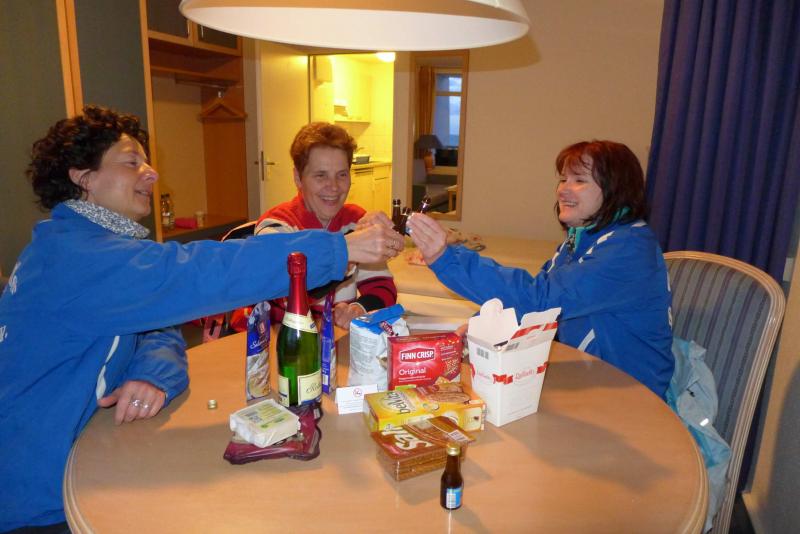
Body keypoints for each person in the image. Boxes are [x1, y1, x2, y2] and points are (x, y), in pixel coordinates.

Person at [0, 106, 404, 532]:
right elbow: (200, 272)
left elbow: (159, 327)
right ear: (83, 177)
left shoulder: (83, 245)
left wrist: (151, 373)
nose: (152, 173)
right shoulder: (77, 259)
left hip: (81, 457)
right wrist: (339, 249)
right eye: (132, 162)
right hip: (37, 495)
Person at [407, 140, 674, 398]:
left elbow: (540, 300)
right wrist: (487, 324)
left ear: (616, 188)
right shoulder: (579, 240)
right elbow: (534, 307)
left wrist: (446, 257)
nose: (563, 190)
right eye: (563, 179)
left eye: (579, 180)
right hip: (591, 378)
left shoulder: (629, 247)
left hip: (631, 393)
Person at [255, 122, 397, 329]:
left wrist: (358, 308)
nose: (334, 187)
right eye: (321, 175)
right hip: (283, 341)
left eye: (342, 174)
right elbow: (288, 297)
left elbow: (383, 287)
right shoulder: (277, 227)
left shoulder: (356, 220)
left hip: (335, 340)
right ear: (298, 178)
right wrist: (346, 253)